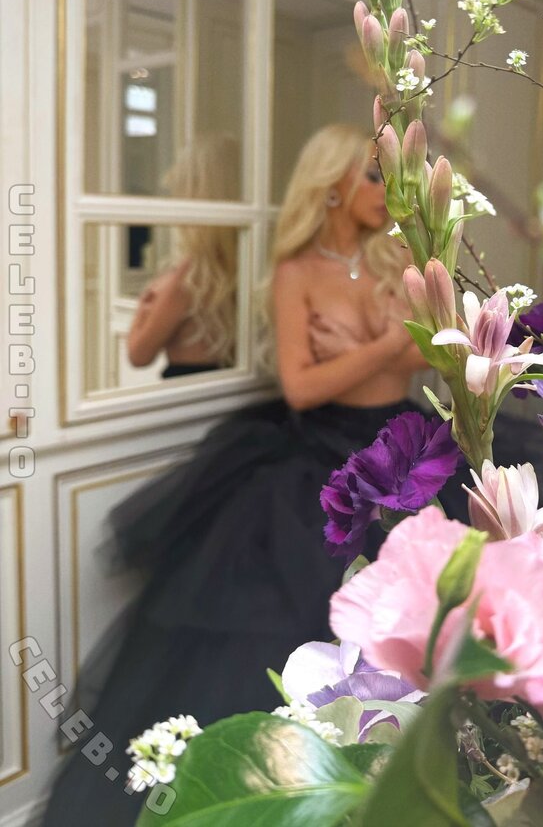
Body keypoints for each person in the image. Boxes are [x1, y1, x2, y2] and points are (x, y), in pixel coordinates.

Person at [40, 123, 429, 826]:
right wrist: (384, 347)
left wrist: (377, 346)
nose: (388, 189)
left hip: (405, 449)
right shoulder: (296, 272)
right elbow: (303, 388)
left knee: (413, 622)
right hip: (321, 458)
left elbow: (425, 357)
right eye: (374, 175)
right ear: (331, 185)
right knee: (290, 631)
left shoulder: (395, 260)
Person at [127, 133, 240, 379]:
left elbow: (138, 354)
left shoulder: (188, 278)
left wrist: (143, 309)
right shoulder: (244, 263)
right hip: (231, 390)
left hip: (189, 396)